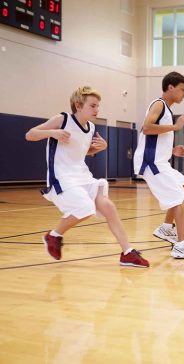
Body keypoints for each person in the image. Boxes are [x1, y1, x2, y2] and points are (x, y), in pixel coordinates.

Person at [25, 86, 149, 267]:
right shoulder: (62, 119)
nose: (97, 110)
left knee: (109, 208)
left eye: (98, 106)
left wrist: (99, 148)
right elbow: (30, 135)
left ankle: (127, 253)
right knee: (85, 208)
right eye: (93, 106)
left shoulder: (90, 127)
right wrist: (52, 132)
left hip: (82, 175)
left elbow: (81, 153)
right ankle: (53, 235)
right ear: (78, 106)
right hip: (62, 176)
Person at [133, 71, 184, 259]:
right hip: (151, 162)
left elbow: (156, 137)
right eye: (183, 89)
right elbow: (147, 128)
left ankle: (166, 228)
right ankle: (182, 245)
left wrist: (172, 150)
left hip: (160, 160)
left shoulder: (166, 109)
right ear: (170, 87)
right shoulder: (159, 104)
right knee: (179, 198)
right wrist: (175, 127)